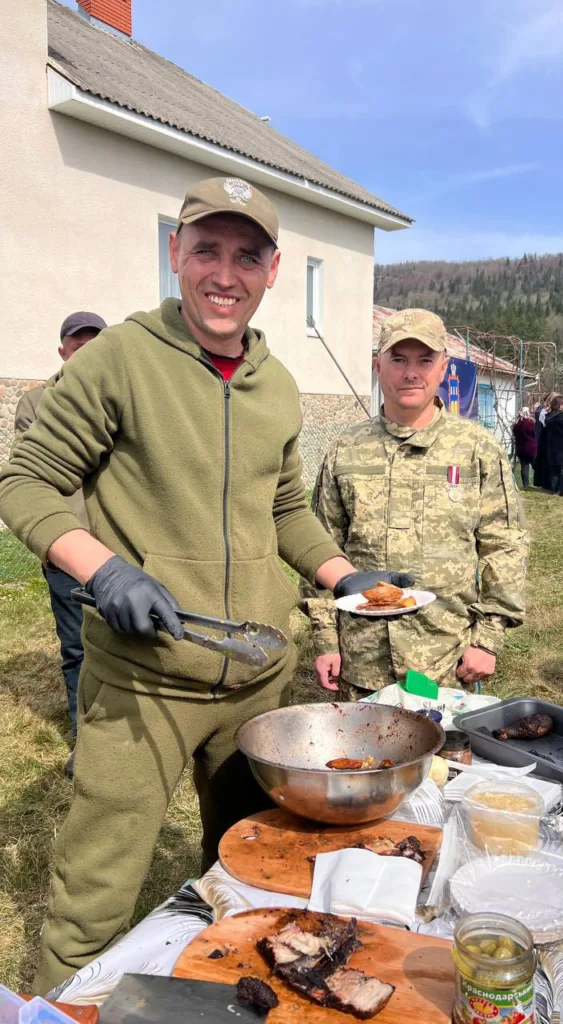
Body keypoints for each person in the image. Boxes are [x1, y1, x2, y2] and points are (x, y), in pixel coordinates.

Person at [0, 176, 393, 995]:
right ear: (176, 253)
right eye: (206, 249)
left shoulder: (278, 384)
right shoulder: (122, 358)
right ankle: (65, 1010)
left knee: (252, 864)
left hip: (255, 682)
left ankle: (229, 996)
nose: (225, 273)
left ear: (273, 270)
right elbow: (27, 481)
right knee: (95, 890)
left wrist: (348, 575)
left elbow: (284, 507)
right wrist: (100, 567)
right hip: (142, 681)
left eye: (246, 255)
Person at [301, 309, 528, 701]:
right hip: (362, 660)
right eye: (398, 359)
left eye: (425, 360)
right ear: (378, 366)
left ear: (443, 368)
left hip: (447, 657)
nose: (412, 372)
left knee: (444, 763)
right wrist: (325, 637)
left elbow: (504, 544)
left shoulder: (476, 449)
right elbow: (319, 547)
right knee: (367, 759)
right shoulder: (345, 450)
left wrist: (488, 639)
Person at [13, 312, 107, 775]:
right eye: (78, 344)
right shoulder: (37, 404)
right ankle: (86, 743)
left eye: (96, 343)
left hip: (122, 550)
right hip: (69, 552)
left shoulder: (122, 398)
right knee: (77, 651)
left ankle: (128, 740)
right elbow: (31, 475)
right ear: (63, 351)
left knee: (127, 649)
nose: (86, 351)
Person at [512, 406, 537, 489]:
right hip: (531, 448)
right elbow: (534, 433)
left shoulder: (516, 425)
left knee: (524, 466)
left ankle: (525, 485)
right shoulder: (530, 424)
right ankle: (538, 482)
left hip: (520, 448)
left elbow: (515, 434)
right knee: (536, 465)